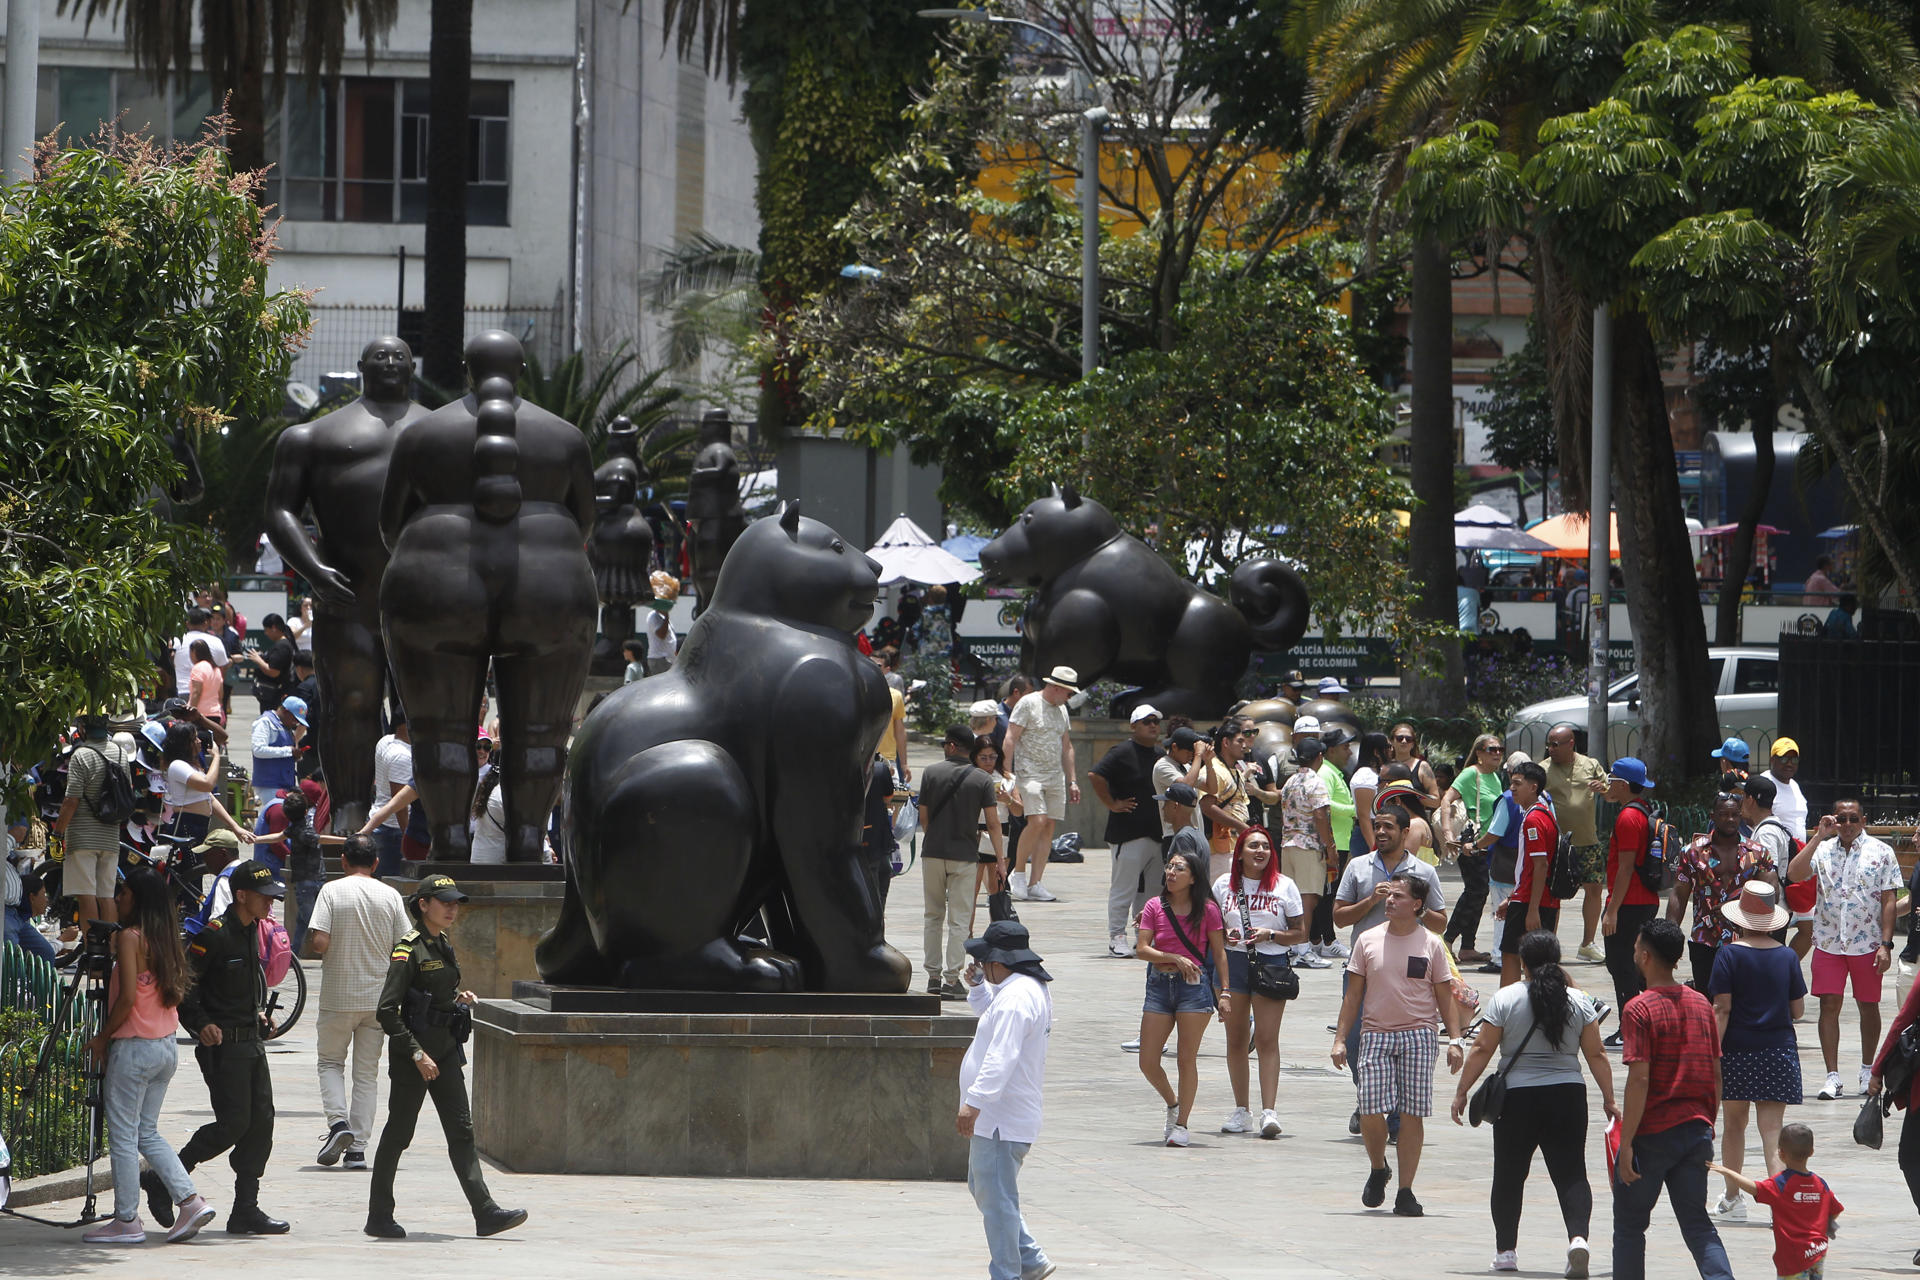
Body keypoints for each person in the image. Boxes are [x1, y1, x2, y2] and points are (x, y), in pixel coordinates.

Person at [367, 875, 527, 1239]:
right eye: (446, 902)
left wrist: (458, 999)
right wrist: (416, 1053)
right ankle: (379, 1215)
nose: (453, 908)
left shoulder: (442, 944)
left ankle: (485, 1212)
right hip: (415, 1057)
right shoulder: (408, 950)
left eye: (456, 903)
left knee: (462, 1131)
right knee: (399, 1134)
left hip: (445, 1051)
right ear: (424, 904)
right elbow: (387, 1011)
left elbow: (435, 996)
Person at [1450, 930, 1616, 1276]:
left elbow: (1482, 1048)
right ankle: (1578, 1240)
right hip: (1568, 1094)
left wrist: (1462, 1091)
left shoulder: (1506, 998)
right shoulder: (1578, 1001)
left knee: (1509, 1175)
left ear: (1522, 962)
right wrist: (1610, 1099)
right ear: (1556, 961)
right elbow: (1597, 1054)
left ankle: (1506, 1252)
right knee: (1571, 1173)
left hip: (1517, 1099)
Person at [84, 868, 217, 1244]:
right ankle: (189, 1200)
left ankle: (126, 1220)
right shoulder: (166, 938)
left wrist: (101, 1038)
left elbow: (127, 998)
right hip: (164, 1047)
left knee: (125, 1137)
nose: (119, 899)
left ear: (138, 900)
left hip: (135, 1047)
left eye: (123, 893)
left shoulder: (130, 937)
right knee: (147, 1132)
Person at [1332, 872, 1465, 1218]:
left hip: (1419, 1035)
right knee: (1370, 1108)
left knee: (1412, 1113)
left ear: (1418, 905)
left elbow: (1444, 995)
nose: (1390, 901)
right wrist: (1341, 1039)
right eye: (1389, 895)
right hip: (1375, 1034)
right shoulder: (1367, 940)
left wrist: (1455, 1040)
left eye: (1399, 896)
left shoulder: (1432, 943)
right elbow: (1353, 995)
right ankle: (1379, 1168)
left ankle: (1406, 1191)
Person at [173, 860, 290, 1235]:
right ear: (241, 896)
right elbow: (185, 988)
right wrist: (201, 1023)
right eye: (264, 897)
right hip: (223, 1049)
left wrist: (258, 1014)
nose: (270, 905)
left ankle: (245, 1209)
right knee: (233, 1123)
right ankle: (168, 1176)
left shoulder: (252, 929)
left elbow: (237, 987)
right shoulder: (216, 934)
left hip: (251, 1043)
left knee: (261, 1125)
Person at [1612, 918, 1733, 1280]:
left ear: (1646, 956)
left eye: (1635, 948)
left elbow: (1640, 1079)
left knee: (1630, 1227)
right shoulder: (1701, 1005)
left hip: (1652, 1133)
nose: (1633, 954)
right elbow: (1715, 1073)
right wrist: (1708, 1123)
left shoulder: (1639, 1009)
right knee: (1698, 1224)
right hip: (1696, 1130)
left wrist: (1628, 1142)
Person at [957, 920, 1055, 1280]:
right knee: (989, 1189)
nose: (981, 965)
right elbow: (991, 1018)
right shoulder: (1024, 989)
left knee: (997, 1198)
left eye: (984, 961)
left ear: (1001, 961)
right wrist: (979, 986)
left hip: (1001, 1116)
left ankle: (1009, 1272)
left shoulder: (1016, 998)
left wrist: (975, 1102)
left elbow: (1002, 1053)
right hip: (1004, 1115)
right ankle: (1029, 1257)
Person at [307, 832, 410, 1170]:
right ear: (376, 863)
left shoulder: (331, 891)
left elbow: (319, 942)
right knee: (366, 1075)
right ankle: (357, 1151)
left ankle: (339, 1125)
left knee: (330, 1063)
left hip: (338, 996)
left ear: (344, 862)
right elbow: (405, 946)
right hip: (378, 1000)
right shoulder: (391, 896)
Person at [1706, 882, 1805, 1225]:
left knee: (1734, 1125)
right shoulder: (1787, 955)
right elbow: (1798, 1010)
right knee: (1772, 1130)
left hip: (1737, 1050)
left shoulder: (1729, 954)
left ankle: (1733, 1199)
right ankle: (1782, 1204)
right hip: (1778, 1050)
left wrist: (1711, 1052)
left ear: (1741, 918)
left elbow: (1722, 1008)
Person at [1790, 797, 1900, 1101]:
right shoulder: (1823, 849)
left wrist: (1886, 944)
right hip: (1828, 942)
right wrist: (1817, 836)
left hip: (1867, 942)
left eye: (1853, 819)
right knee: (1829, 1006)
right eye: (1842, 819)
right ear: (1833, 820)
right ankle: (1832, 1076)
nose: (1848, 825)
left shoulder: (1881, 852)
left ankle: (1867, 1069)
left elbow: (1889, 900)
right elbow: (1795, 874)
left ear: (1863, 821)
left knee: (1868, 1005)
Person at [1212, 825, 1304, 1139]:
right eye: (1253, 846)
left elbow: (1300, 932)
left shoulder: (1284, 885)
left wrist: (1271, 935)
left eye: (1265, 846)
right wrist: (1224, 935)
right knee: (1236, 1040)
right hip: (1232, 964)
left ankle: (1269, 1112)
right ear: (1240, 852)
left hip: (1271, 964)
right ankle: (1241, 1110)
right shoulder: (1223, 885)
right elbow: (1210, 926)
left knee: (1266, 1039)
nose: (1260, 852)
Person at [1134, 845, 1228, 1148]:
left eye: (1179, 869)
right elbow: (1141, 949)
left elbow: (1220, 954)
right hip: (1159, 985)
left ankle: (1182, 1124)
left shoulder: (1208, 910)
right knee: (1147, 1061)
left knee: (1186, 1059)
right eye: (1169, 867)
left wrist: (1224, 992)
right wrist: (1174, 957)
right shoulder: (1154, 907)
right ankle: (1173, 1103)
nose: (1171, 873)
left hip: (1194, 988)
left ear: (1193, 878)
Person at [920, 726, 1006, 1000]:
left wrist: (935, 837)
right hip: (965, 855)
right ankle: (951, 980)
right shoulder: (981, 779)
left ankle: (933, 976)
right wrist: (1001, 861)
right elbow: (993, 823)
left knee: (933, 915)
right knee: (959, 920)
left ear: (953, 746)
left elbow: (924, 816)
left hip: (932, 853)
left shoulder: (931, 773)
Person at [1669, 792, 1778, 994]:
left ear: (1740, 816)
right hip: (1704, 939)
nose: (1730, 819)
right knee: (1707, 1002)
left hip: (1746, 940)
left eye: (1735, 815)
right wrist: (1669, 940)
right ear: (1712, 816)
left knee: (1743, 1002)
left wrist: (1738, 908)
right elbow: (1678, 894)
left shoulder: (1758, 853)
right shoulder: (1692, 852)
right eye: (1723, 814)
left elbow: (1771, 894)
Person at [1708, 1124, 1842, 1280]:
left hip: (1794, 1256)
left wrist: (1727, 1171)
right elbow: (1836, 1209)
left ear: (1781, 1153)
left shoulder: (1780, 1184)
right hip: (1817, 1251)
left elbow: (1754, 1188)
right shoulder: (1820, 1183)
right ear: (1811, 1152)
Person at [1089, 705, 1166, 959]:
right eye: (1146, 722)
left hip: (1156, 833)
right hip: (1128, 833)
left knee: (1152, 891)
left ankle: (1143, 937)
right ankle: (1116, 936)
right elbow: (1095, 775)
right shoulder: (1121, 752)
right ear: (1134, 726)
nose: (1152, 725)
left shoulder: (1160, 753)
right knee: (1124, 887)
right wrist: (1112, 803)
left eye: (1155, 721)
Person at [1600, 759, 1663, 1047]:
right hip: (1644, 900)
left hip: (1628, 903)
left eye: (1612, 779)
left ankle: (1630, 1030)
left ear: (1623, 784)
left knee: (1621, 964)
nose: (1608, 784)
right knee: (1636, 967)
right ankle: (1651, 1024)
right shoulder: (1643, 810)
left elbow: (1625, 868)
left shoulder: (1627, 818)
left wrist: (1612, 911)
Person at [1004, 666, 1079, 903]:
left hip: (1055, 775)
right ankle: (1017, 873)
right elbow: (1010, 738)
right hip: (1029, 773)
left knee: (1048, 826)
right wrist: (1008, 775)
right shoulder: (1028, 703)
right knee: (1036, 820)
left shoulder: (1062, 709)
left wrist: (1073, 780)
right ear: (1056, 688)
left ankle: (1036, 882)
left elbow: (1067, 746)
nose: (1070, 698)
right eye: (1068, 693)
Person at [51, 716, 133, 930]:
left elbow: (71, 800)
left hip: (82, 837)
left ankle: (92, 949)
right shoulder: (120, 753)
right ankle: (110, 950)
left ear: (83, 729)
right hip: (110, 836)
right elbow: (128, 791)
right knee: (106, 895)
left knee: (86, 895)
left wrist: (58, 833)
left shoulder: (81, 755)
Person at [1543, 724, 1610, 962]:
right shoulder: (1543, 770)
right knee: (1554, 893)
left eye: (1555, 744)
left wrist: (1602, 789)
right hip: (1558, 845)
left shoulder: (1590, 765)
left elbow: (1612, 794)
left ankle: (1587, 944)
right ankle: (1549, 945)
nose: (1550, 749)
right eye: (1548, 744)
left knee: (1594, 890)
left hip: (1587, 841)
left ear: (1571, 743)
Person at [1495, 761, 1560, 988]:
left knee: (1513, 956)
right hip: (1530, 898)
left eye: (1517, 783)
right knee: (1541, 962)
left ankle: (1506, 1010)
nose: (1511, 788)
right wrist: (1512, 897)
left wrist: (1531, 910)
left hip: (1532, 901)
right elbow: (1529, 868)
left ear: (1533, 787)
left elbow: (1540, 865)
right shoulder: (1543, 814)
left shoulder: (1534, 819)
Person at [1442, 733, 1505, 964]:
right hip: (1472, 843)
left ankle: (1468, 946)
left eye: (1500, 749)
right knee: (1475, 891)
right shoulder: (1471, 774)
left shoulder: (1495, 778)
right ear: (1479, 754)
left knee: (1479, 894)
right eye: (1492, 749)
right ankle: (1447, 940)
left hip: (1488, 845)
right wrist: (1448, 833)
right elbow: (1446, 799)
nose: (1497, 753)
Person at [1278, 735, 1336, 970]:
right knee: (1307, 900)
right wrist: (1330, 848)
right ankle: (1302, 949)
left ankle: (1293, 948)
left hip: (1288, 845)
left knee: (1292, 899)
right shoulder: (1316, 781)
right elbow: (1321, 815)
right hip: (1309, 846)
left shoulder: (1290, 781)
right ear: (1319, 757)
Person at [157, 720, 251, 852]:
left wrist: (235, 827)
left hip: (200, 823)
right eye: (194, 738)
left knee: (198, 868)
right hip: (186, 824)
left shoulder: (191, 766)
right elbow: (207, 785)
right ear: (184, 744)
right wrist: (216, 757)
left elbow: (209, 797)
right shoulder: (177, 765)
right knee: (190, 868)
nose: (199, 741)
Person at [969, 737, 1018, 936]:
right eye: (984, 757)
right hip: (976, 829)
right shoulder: (969, 776)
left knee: (997, 887)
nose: (989, 761)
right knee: (971, 888)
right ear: (975, 758)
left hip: (1001, 830)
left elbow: (1020, 812)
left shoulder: (1007, 778)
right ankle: (968, 932)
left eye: (992, 757)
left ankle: (997, 933)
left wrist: (1009, 800)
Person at [1197, 720, 1253, 880]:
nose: (1245, 745)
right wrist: (1240, 825)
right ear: (1226, 742)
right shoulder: (1213, 770)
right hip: (1220, 849)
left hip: (1237, 846)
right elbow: (1207, 807)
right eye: (1240, 741)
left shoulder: (1235, 771)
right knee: (1221, 898)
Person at [370, 711, 414, 877]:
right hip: (393, 832)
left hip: (382, 825)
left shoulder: (385, 741)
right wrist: (407, 837)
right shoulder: (402, 756)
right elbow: (400, 804)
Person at [249, 695, 308, 810]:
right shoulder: (265, 722)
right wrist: (289, 751)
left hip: (285, 784)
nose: (296, 723)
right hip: (269, 785)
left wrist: (296, 755)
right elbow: (258, 750)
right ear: (285, 711)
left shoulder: (286, 727)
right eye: (294, 719)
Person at [241, 613, 298, 712]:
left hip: (275, 696)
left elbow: (273, 671)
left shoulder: (282, 646)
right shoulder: (281, 645)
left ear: (274, 628)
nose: (265, 633)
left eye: (266, 630)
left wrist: (258, 660)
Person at [171, 606, 231, 699]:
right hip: (208, 694)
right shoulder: (216, 642)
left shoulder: (176, 642)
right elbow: (221, 669)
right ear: (205, 623)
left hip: (181, 691)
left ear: (187, 623)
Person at [1761, 737, 1808, 840]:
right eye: (1784, 758)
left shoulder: (1794, 785)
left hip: (1798, 852)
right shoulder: (1763, 783)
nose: (1789, 764)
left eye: (1794, 759)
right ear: (1772, 760)